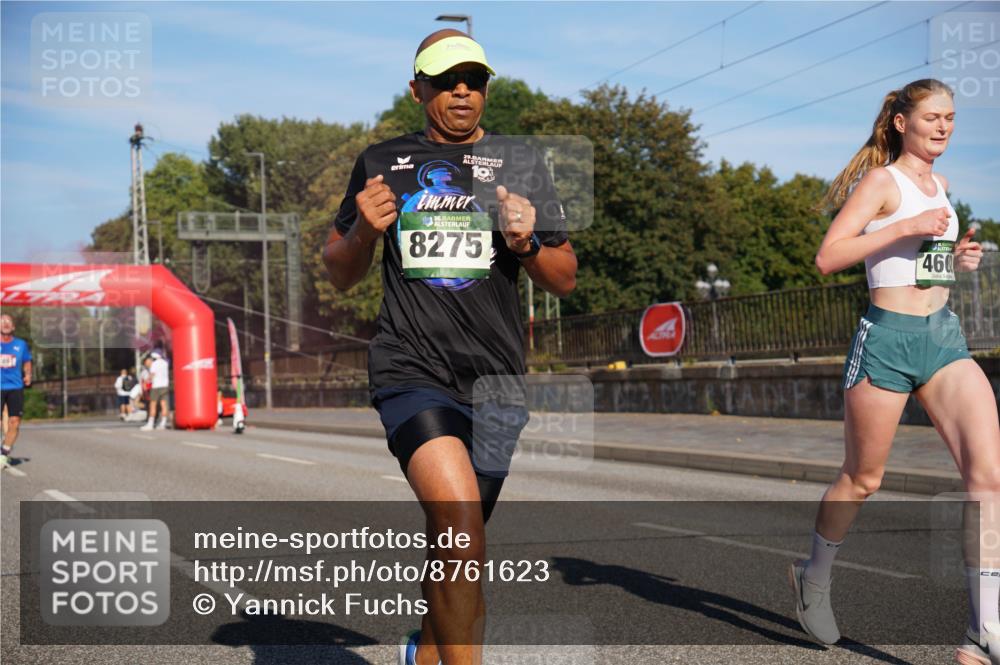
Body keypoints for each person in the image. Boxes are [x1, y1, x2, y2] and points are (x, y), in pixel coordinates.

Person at [322, 30, 576, 665]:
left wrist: (526, 246)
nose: (462, 90)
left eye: (475, 80)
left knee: (458, 541)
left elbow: (565, 275)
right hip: (412, 367)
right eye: (445, 80)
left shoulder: (519, 165)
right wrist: (362, 233)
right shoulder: (381, 160)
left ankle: (427, 651)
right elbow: (338, 269)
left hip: (496, 380)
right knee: (460, 524)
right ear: (418, 90)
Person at [788, 79, 1000, 663]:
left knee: (988, 478)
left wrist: (955, 260)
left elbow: (918, 270)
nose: (944, 127)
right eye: (932, 117)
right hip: (885, 343)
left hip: (943, 341)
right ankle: (815, 577)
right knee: (863, 479)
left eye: (951, 118)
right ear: (903, 121)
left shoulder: (943, 186)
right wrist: (905, 227)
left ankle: (982, 631)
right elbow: (830, 256)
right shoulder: (882, 181)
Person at [0, 314, 33, 467]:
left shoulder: (21, 344)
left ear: (13, 327)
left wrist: (28, 374)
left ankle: (4, 453)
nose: (5, 323)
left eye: (8, 321)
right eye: (2, 321)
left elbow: (27, 360)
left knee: (15, 421)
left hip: (15, 387)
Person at [140, 351, 170, 431]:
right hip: (165, 385)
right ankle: (163, 423)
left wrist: (146, 381)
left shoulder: (154, 364)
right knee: (164, 405)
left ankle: (150, 424)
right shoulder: (165, 363)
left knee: (153, 405)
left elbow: (152, 375)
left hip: (156, 386)